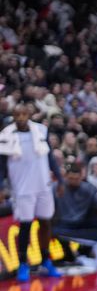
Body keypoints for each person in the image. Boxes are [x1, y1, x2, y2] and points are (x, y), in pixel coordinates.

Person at [0, 101, 61, 281]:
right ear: (13, 115)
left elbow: (49, 156)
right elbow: (2, 166)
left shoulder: (41, 130)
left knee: (46, 223)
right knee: (25, 226)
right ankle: (23, 264)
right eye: (17, 115)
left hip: (43, 184)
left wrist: (60, 178)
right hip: (22, 188)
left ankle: (45, 261)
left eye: (24, 114)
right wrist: (1, 187)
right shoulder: (5, 134)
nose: (21, 118)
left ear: (29, 114)